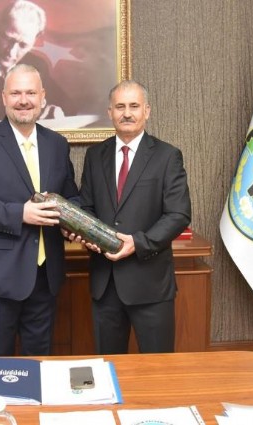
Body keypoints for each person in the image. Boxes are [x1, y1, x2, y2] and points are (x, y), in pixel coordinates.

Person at [0, 64, 79, 356]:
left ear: (43, 97)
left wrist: (74, 223)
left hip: (45, 277)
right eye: (16, 93)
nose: (24, 100)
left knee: (39, 362)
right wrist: (19, 214)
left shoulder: (57, 145)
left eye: (31, 93)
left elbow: (70, 196)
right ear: (4, 98)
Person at [73, 80, 191, 354]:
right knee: (110, 367)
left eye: (134, 106)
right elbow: (87, 207)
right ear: (110, 112)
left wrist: (137, 243)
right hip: (105, 284)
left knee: (158, 368)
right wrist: (89, 236)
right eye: (120, 107)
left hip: (150, 284)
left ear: (146, 111)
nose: (127, 113)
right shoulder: (95, 155)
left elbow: (178, 214)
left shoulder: (167, 156)